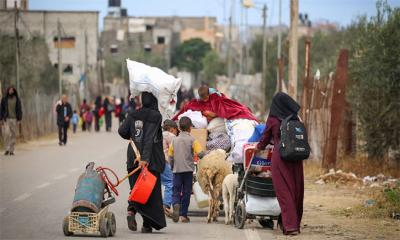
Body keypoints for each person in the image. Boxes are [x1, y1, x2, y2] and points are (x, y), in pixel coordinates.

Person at [256, 92, 304, 236]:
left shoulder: (273, 119)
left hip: (281, 158)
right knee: (296, 191)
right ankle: (293, 223)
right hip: (296, 158)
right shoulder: (296, 117)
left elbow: (264, 139)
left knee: (284, 192)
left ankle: (290, 226)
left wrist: (257, 148)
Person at [118, 92, 166, 233]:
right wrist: (144, 159)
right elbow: (149, 138)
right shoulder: (156, 116)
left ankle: (131, 212)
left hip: (133, 156)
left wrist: (133, 135)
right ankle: (146, 225)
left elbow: (122, 131)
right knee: (148, 191)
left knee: (136, 188)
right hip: (148, 159)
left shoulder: (133, 114)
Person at [168, 116, 205, 223]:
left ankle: (175, 204)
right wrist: (207, 155)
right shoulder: (193, 140)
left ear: (179, 128)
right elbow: (200, 154)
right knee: (186, 192)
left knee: (176, 190)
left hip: (177, 170)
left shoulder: (174, 140)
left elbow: (170, 156)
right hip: (188, 171)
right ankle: (183, 215)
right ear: (190, 128)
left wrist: (172, 166)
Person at [161, 119, 178, 217]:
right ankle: (166, 205)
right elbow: (173, 152)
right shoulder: (171, 137)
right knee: (169, 182)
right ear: (172, 129)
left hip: (155, 162)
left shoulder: (159, 135)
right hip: (165, 162)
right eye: (176, 130)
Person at [0, 86, 22, 155]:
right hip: (6, 119)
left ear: (14, 91)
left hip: (14, 119)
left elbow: (19, 109)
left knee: (13, 134)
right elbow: (1, 109)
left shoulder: (17, 99)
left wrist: (19, 119)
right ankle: (7, 149)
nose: (11, 91)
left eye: (12, 90)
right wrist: (1, 119)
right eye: (10, 90)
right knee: (6, 134)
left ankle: (11, 150)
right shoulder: (4, 99)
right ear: (8, 91)